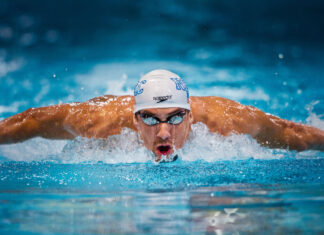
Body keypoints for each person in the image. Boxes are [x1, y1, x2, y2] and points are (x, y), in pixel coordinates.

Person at [0, 69, 323, 162]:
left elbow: (291, 133)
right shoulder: (99, 122)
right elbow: (33, 120)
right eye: (152, 119)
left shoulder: (226, 121)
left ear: (192, 116)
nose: (165, 133)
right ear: (135, 120)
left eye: (176, 118)